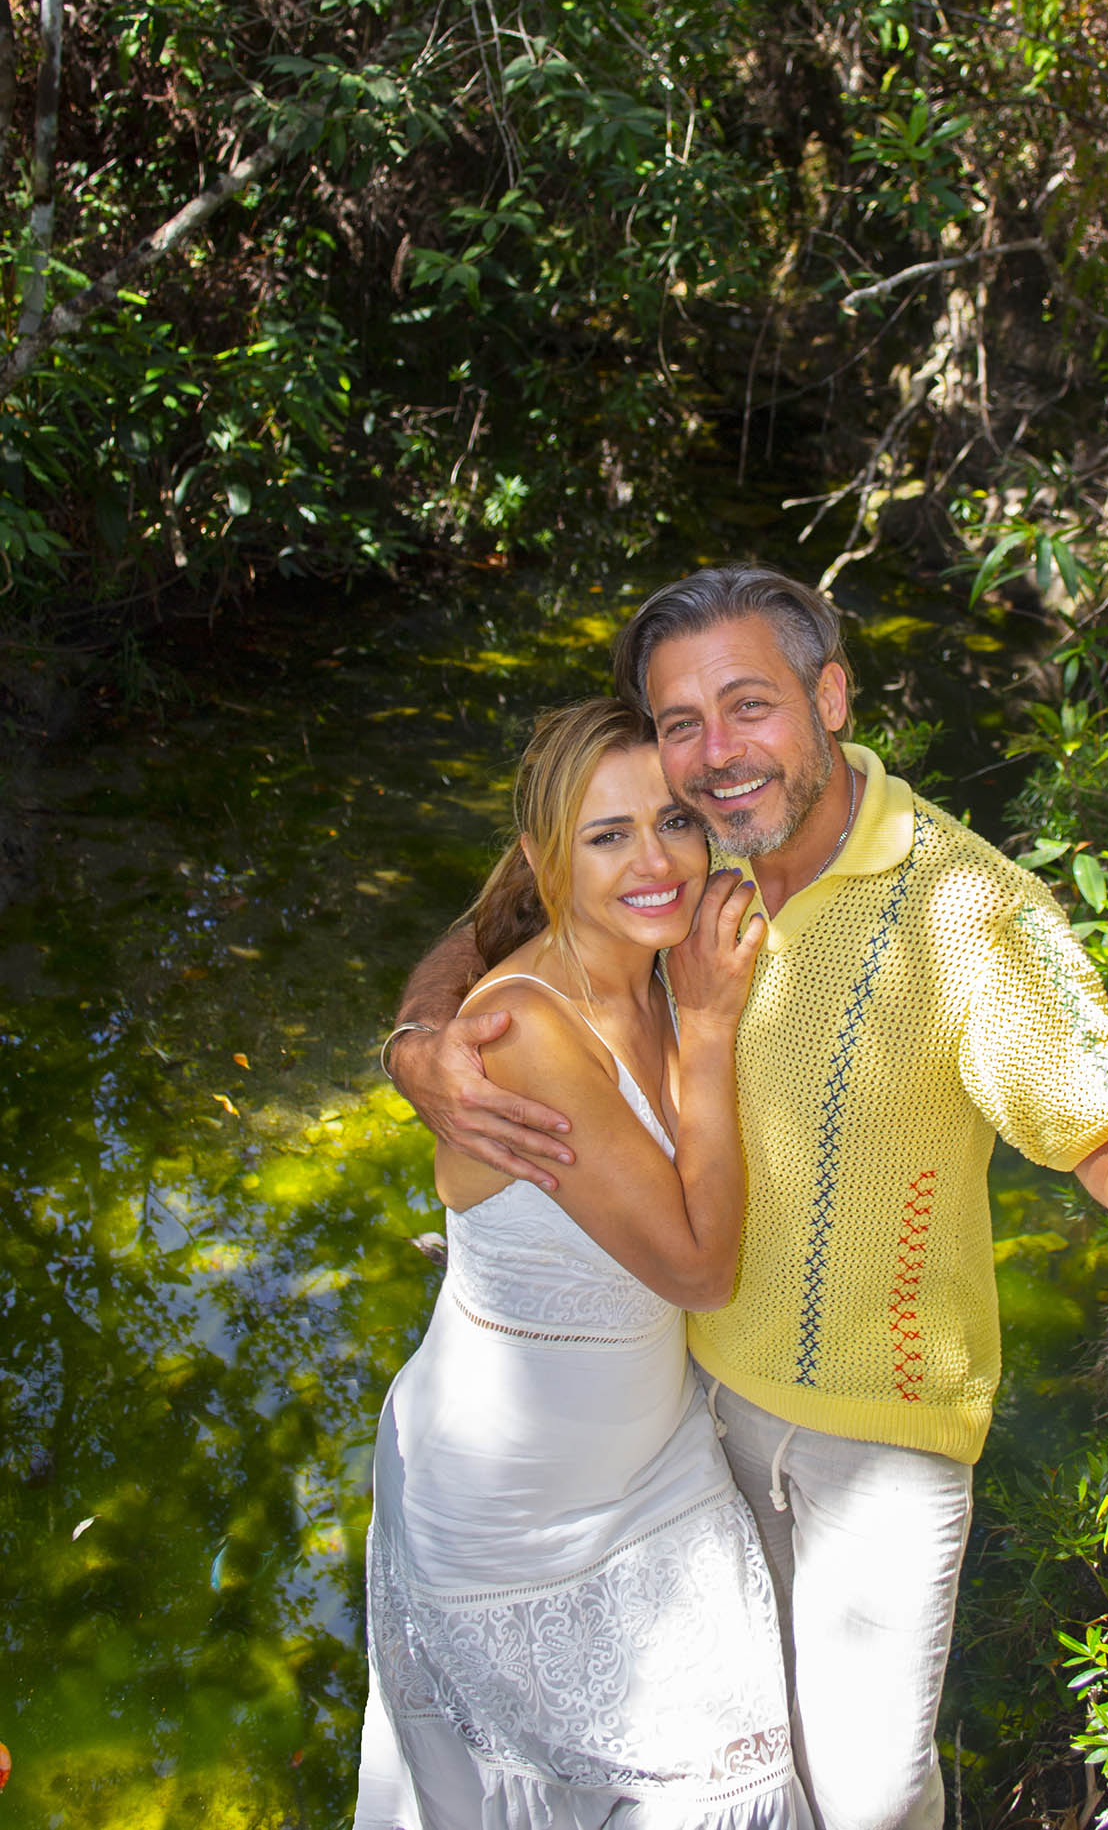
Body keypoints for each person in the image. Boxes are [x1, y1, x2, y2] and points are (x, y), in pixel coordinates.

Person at [385, 570, 1108, 1830]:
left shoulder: (966, 908)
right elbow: (503, 907)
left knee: (873, 1795)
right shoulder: (678, 842)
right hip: (691, 1417)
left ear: (828, 698)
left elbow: (1103, 1130)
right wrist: (417, 1039)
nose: (719, 757)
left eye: (750, 707)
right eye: (685, 722)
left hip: (877, 1435)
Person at [355, 694, 812, 1830]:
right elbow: (699, 1271)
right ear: (547, 857)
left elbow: (492, 920)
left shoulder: (660, 945)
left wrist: (409, 1030)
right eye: (607, 837)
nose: (654, 860)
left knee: (739, 1782)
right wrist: (708, 1030)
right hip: (517, 1519)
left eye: (673, 821)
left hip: (660, 1465)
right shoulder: (529, 1031)